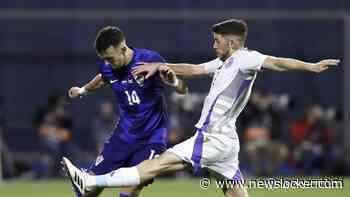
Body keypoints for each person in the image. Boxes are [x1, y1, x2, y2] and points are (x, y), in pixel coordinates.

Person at [63, 19, 339, 197]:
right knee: (236, 193)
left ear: (231, 42)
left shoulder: (246, 58)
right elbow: (193, 69)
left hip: (211, 138)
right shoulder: (223, 63)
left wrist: (311, 66)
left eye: (217, 40)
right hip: (226, 140)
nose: (213, 44)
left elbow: (278, 62)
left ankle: (91, 182)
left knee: (154, 166)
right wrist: (161, 66)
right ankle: (92, 182)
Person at [65, 26, 187, 197]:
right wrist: (82, 90)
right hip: (123, 136)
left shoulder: (149, 60)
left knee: (131, 187)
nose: (107, 63)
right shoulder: (108, 66)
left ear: (123, 48)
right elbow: (102, 78)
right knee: (89, 187)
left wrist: (174, 81)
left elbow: (183, 89)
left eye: (110, 58)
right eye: (104, 59)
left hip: (151, 137)